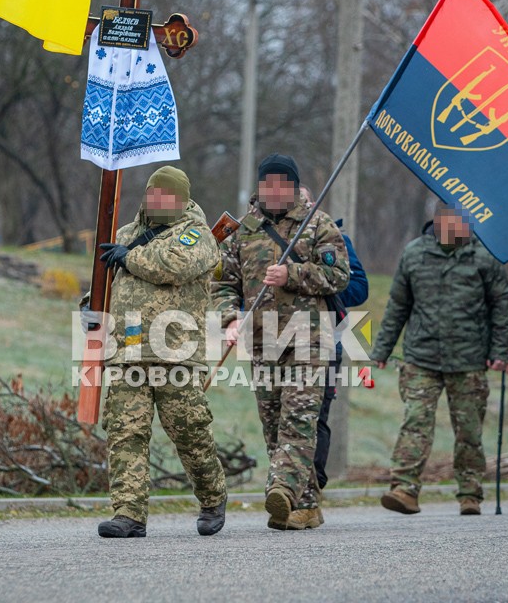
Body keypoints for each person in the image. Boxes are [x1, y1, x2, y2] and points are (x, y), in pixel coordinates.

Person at [214, 154, 350, 530]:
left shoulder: (317, 224)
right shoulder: (243, 231)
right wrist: (230, 318)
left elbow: (340, 275)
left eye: (282, 184)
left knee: (299, 420)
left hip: (308, 339)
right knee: (273, 425)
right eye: (267, 185)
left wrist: (291, 273)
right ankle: (303, 506)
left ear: (293, 187)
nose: (274, 192)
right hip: (262, 342)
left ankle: (280, 489)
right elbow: (223, 283)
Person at [93, 166, 228, 538]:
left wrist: (129, 258)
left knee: (190, 432)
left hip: (175, 355)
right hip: (128, 352)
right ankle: (129, 514)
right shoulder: (124, 236)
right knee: (125, 433)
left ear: (183, 201)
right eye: (155, 194)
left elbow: (174, 265)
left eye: (169, 197)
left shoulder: (196, 235)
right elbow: (110, 285)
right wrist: (92, 303)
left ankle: (213, 497)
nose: (159, 201)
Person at [371, 206, 508, 516]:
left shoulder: (483, 256)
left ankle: (469, 492)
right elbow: (398, 305)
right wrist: (382, 350)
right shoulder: (414, 253)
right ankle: (404, 488)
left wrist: (500, 351)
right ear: (437, 222)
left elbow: (503, 304)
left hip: (469, 358)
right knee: (416, 422)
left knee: (469, 429)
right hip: (421, 356)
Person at [299, 186, 370, 491]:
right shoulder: (263, 242)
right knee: (279, 419)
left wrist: (315, 285)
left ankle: (311, 489)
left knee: (316, 416)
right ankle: (286, 485)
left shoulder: (336, 239)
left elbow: (359, 288)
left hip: (325, 340)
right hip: (274, 342)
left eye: (302, 201)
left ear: (313, 205)